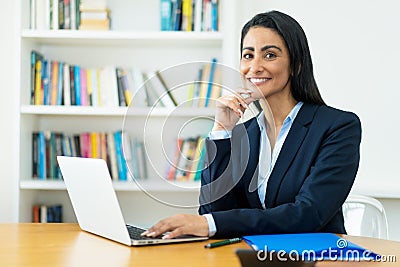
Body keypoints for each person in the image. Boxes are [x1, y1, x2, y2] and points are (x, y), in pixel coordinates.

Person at [142, 10, 361, 239]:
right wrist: (222, 132)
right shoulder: (241, 135)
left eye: (269, 55)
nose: (254, 67)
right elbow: (213, 212)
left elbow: (309, 214)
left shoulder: (338, 127)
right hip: (251, 256)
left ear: (296, 64)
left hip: (315, 257)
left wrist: (209, 224)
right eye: (248, 55)